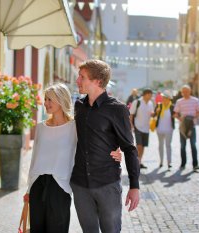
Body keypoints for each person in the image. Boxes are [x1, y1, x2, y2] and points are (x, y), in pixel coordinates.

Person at [24, 83, 122, 233]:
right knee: (36, 229)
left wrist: (115, 151)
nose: (46, 103)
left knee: (58, 228)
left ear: (61, 100)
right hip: (38, 184)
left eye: (50, 99)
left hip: (61, 185)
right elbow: (34, 158)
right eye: (45, 99)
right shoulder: (40, 127)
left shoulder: (75, 127)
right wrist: (29, 188)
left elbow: (92, 146)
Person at [71, 60, 140, 233]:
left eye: (82, 77)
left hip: (107, 184)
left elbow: (130, 149)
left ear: (98, 81)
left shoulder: (117, 109)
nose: (77, 81)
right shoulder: (79, 106)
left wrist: (134, 186)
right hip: (80, 184)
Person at [174, 85, 199, 172]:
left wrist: (194, 118)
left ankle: (195, 164)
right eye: (184, 91)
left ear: (190, 91)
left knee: (193, 145)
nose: (185, 93)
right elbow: (175, 113)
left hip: (192, 126)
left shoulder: (195, 100)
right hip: (182, 127)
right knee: (182, 146)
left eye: (187, 91)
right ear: (182, 92)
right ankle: (183, 164)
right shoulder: (179, 101)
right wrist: (180, 118)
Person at [129, 89, 154, 169]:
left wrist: (153, 114)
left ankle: (139, 162)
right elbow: (131, 114)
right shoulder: (137, 102)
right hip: (138, 126)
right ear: (145, 94)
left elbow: (151, 113)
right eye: (150, 95)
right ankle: (135, 161)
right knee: (139, 146)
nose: (151, 96)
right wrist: (131, 125)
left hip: (146, 128)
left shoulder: (150, 103)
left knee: (143, 146)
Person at [153, 90, 175, 170]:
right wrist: (155, 112)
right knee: (160, 146)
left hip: (169, 129)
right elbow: (154, 115)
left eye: (165, 98)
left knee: (168, 146)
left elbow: (175, 115)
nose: (163, 99)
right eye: (163, 97)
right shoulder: (159, 105)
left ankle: (169, 163)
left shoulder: (172, 107)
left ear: (169, 99)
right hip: (159, 129)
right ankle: (161, 162)